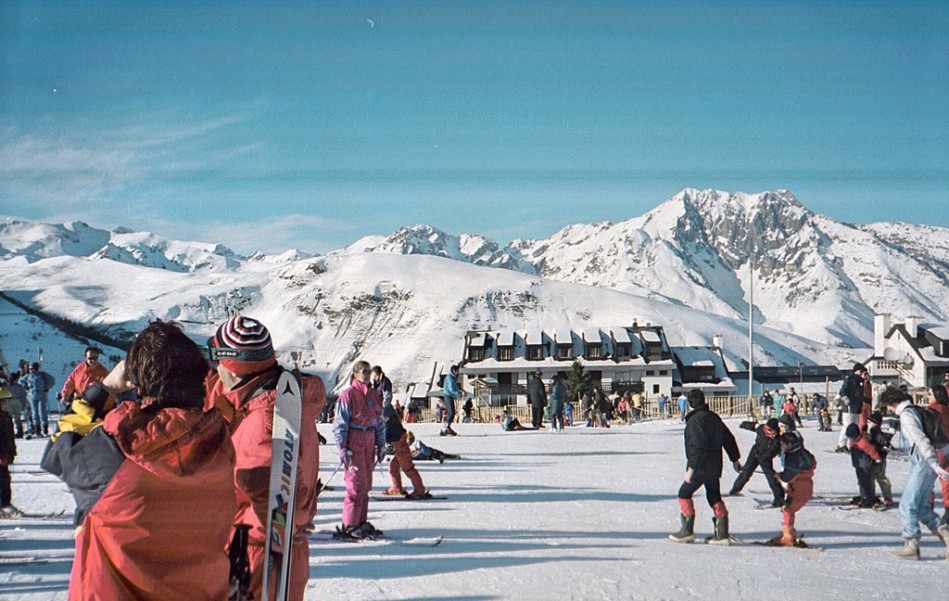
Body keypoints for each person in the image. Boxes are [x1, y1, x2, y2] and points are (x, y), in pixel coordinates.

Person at [43, 320, 238, 599]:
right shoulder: (221, 448)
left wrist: (104, 388)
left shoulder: (115, 452)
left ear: (136, 382)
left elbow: (58, 447)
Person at [206, 315, 326, 599]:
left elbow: (276, 500)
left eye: (217, 363)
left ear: (231, 367)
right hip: (280, 552)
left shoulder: (265, 420)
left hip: (257, 555)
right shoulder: (282, 402)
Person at [880, 387, 949, 559]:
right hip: (926, 459)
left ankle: (912, 544)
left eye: (887, 406)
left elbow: (920, 439)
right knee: (922, 507)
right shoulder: (917, 410)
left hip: (923, 459)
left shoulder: (906, 415)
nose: (888, 410)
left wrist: (933, 462)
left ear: (892, 402)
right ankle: (947, 536)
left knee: (907, 504)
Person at [669, 389, 741, 545]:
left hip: (700, 466)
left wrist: (691, 469)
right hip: (715, 466)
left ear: (690, 404)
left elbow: (697, 447)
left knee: (684, 494)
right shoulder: (714, 418)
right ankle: (721, 533)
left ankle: (687, 531)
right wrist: (735, 459)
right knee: (713, 496)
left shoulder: (695, 422)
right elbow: (728, 438)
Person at [333, 360, 386, 539]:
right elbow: (340, 423)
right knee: (355, 484)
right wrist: (342, 447)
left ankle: (361, 521)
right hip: (354, 439)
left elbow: (379, 421)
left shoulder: (373, 395)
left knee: (365, 484)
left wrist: (381, 444)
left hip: (369, 440)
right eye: (363, 371)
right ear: (355, 374)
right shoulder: (348, 395)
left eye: (369, 371)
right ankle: (349, 524)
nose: (366, 374)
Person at [382, 374, 430, 499]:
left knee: (408, 468)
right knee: (393, 467)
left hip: (401, 446)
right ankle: (396, 487)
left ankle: (419, 490)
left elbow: (387, 434)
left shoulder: (390, 422)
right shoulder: (390, 421)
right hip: (400, 444)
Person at [768, 431, 817, 546]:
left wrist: (780, 475)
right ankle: (788, 533)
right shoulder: (803, 452)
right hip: (806, 487)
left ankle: (788, 536)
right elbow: (813, 463)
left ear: (789, 444)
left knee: (787, 509)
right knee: (789, 509)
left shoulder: (792, 458)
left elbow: (788, 477)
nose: (782, 447)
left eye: (783, 444)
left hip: (798, 490)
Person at [727, 418, 784, 507]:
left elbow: (773, 451)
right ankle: (735, 490)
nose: (766, 430)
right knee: (745, 472)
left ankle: (779, 498)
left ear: (774, 429)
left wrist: (765, 457)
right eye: (766, 427)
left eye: (769, 429)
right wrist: (743, 424)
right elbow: (753, 426)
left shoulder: (777, 439)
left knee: (771, 477)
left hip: (765, 458)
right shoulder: (761, 429)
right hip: (754, 453)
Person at [59, 346, 110, 412]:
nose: (93, 360)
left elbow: (108, 390)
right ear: (85, 358)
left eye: (95, 358)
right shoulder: (79, 369)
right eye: (90, 358)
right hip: (78, 402)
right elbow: (70, 382)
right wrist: (65, 395)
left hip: (93, 406)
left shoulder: (103, 372)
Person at [844, 423, 881, 508]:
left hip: (865, 466)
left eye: (851, 437)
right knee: (861, 481)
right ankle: (863, 495)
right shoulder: (854, 442)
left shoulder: (862, 442)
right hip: (858, 465)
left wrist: (877, 458)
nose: (850, 439)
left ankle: (867, 498)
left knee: (865, 482)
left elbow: (872, 450)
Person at [928, 385, 949, 525]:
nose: (928, 396)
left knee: (927, 481)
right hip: (947, 448)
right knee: (946, 482)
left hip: (936, 449)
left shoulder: (932, 410)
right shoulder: (947, 410)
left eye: (930, 394)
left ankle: (927, 511)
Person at [837, 363, 870, 452]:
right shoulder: (851, 379)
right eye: (862, 371)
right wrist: (846, 399)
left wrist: (865, 399)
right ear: (857, 371)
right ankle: (841, 444)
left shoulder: (860, 381)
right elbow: (843, 391)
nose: (863, 373)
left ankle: (851, 444)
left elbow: (858, 394)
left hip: (857, 407)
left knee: (855, 426)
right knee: (848, 425)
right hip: (849, 407)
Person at [18, 362, 55, 438]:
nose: (30, 370)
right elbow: (20, 381)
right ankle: (37, 430)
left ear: (36, 368)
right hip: (32, 395)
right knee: (34, 413)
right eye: (30, 369)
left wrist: (47, 387)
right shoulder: (28, 376)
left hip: (42, 394)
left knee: (42, 412)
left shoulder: (42, 375)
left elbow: (52, 380)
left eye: (32, 369)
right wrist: (26, 387)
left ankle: (45, 429)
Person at [866, 411, 894, 508]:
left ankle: (886, 497)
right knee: (875, 477)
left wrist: (885, 444)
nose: (867, 424)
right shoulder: (872, 431)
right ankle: (876, 496)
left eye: (870, 422)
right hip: (875, 458)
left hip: (878, 458)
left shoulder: (874, 431)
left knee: (879, 477)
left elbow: (880, 440)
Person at [0, 389, 19, 517]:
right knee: (2, 480)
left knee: (6, 479)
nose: (6, 404)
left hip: (6, 454)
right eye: (3, 402)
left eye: (7, 402)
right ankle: (3, 504)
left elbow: (9, 437)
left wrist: (12, 453)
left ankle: (6, 503)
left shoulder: (6, 416)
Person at [441, 365, 461, 436]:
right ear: (453, 371)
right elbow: (451, 389)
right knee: (451, 413)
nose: (458, 372)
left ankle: (446, 428)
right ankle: (446, 428)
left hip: (450, 396)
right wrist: (458, 394)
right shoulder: (450, 378)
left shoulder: (452, 378)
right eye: (457, 371)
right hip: (448, 396)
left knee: (451, 413)